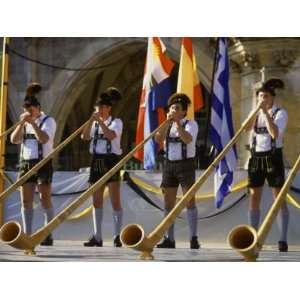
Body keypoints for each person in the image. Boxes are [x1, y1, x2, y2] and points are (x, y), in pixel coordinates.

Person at [245, 78, 289, 252]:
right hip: (256, 157)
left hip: (273, 157)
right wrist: (256, 113)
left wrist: (265, 114)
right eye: (260, 97)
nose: (262, 100)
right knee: (254, 196)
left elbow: (274, 134)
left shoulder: (280, 113)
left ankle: (283, 239)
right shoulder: (255, 112)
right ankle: (253, 237)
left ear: (272, 98)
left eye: (265, 97)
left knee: (278, 198)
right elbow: (246, 128)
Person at [10, 83, 57, 246]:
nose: (28, 113)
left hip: (43, 162)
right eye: (26, 111)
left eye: (31, 110)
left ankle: (48, 233)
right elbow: (14, 140)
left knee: (45, 199)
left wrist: (33, 123)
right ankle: (28, 234)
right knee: (26, 200)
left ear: (38, 108)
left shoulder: (48, 121)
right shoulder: (24, 122)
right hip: (26, 163)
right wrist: (22, 124)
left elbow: (44, 139)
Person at [154, 93, 200, 249]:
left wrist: (178, 124)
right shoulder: (167, 125)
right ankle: (169, 238)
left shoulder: (190, 124)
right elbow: (157, 139)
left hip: (186, 165)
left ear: (183, 112)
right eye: (172, 108)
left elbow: (187, 139)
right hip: (169, 165)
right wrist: (167, 123)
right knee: (168, 203)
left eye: (176, 108)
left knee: (189, 201)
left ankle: (193, 237)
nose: (173, 110)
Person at [81, 87, 123, 247]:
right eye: (98, 108)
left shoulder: (116, 122)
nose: (100, 110)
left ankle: (117, 236)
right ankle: (97, 237)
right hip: (96, 161)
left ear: (108, 108)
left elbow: (111, 135)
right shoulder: (94, 123)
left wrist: (99, 122)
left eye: (102, 107)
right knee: (96, 201)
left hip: (111, 160)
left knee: (115, 200)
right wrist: (91, 121)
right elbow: (84, 136)